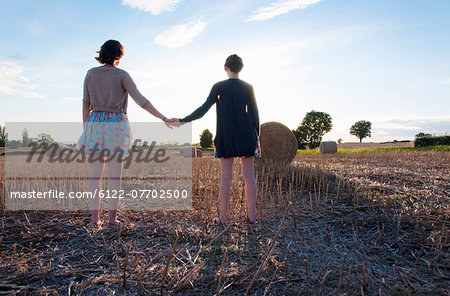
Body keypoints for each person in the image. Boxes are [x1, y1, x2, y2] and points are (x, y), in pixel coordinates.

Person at [77, 40, 175, 228]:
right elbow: (142, 101)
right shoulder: (122, 75)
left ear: (102, 54)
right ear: (119, 56)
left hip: (95, 123)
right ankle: (112, 220)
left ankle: (94, 220)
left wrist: (86, 129)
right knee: (115, 175)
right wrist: (162, 117)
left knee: (94, 174)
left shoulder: (90, 74)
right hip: (116, 123)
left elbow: (85, 104)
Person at [175, 54, 260, 225]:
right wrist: (255, 136)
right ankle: (252, 217)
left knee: (226, 178)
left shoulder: (219, 87)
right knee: (249, 176)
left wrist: (183, 120)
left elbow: (203, 109)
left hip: (226, 136)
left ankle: (222, 218)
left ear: (226, 68)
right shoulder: (249, 87)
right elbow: (255, 114)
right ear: (241, 68)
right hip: (247, 135)